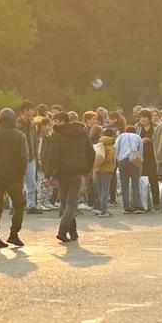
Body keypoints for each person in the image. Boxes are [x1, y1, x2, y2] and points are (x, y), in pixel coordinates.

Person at [45, 111, 95, 241]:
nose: (55, 124)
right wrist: (88, 169)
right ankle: (68, 232)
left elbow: (52, 156)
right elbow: (91, 152)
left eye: (57, 121)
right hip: (77, 172)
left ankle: (66, 231)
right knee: (71, 204)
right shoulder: (81, 132)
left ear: (64, 121)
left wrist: (48, 174)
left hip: (62, 173)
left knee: (67, 203)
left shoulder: (56, 135)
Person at [0, 108, 29, 248]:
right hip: (14, 176)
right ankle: (14, 234)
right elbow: (23, 158)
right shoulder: (19, 136)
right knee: (19, 204)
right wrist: (21, 174)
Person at [16, 101, 40, 214]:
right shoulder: (16, 124)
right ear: (25, 110)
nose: (33, 112)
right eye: (31, 109)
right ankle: (14, 205)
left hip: (31, 157)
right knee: (17, 182)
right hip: (19, 158)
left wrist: (35, 153)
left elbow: (35, 139)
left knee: (31, 182)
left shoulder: (32, 123)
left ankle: (31, 205)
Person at [114, 125, 145, 213]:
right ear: (134, 131)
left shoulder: (121, 136)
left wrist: (118, 159)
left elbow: (116, 148)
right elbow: (141, 151)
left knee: (124, 184)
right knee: (135, 183)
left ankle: (126, 207)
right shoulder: (138, 137)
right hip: (134, 161)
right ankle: (137, 205)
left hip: (122, 161)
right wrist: (140, 163)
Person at [92, 128, 117, 217]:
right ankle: (104, 211)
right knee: (105, 190)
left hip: (97, 168)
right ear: (112, 135)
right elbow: (110, 158)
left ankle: (98, 208)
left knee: (98, 190)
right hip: (107, 170)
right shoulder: (111, 145)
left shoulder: (99, 143)